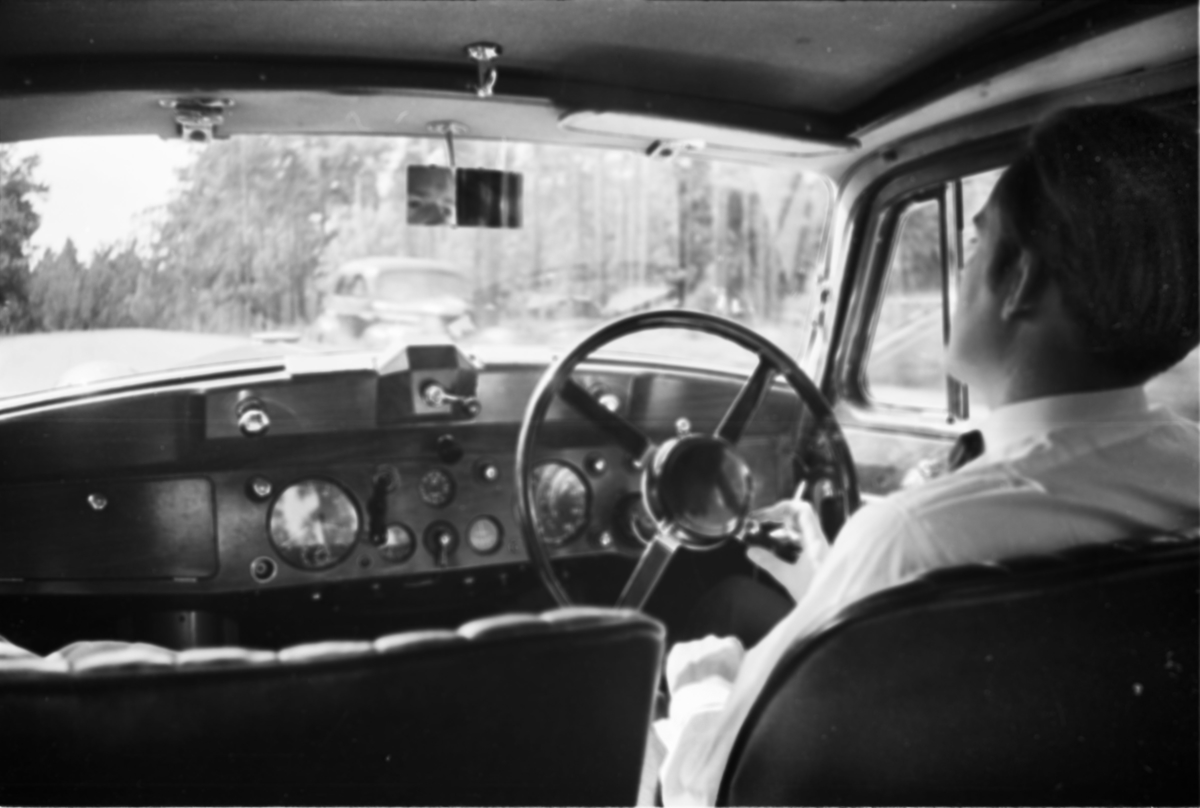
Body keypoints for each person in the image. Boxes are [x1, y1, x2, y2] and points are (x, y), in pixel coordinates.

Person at [648, 103, 1200, 806]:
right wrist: (840, 585)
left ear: (1021, 280)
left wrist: (699, 689)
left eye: (975, 243)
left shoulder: (911, 538)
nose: (961, 271)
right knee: (736, 605)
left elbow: (705, 787)